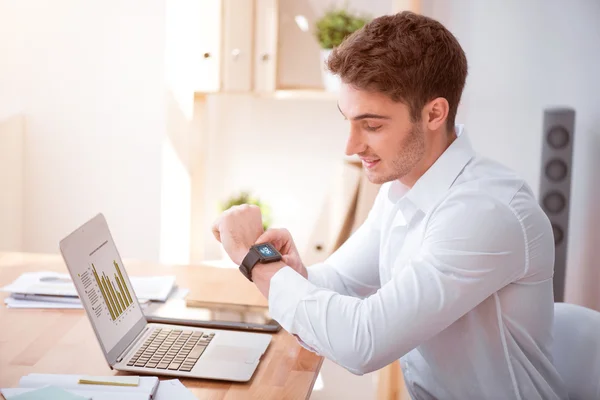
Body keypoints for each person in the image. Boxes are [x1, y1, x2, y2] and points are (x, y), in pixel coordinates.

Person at [211, 11, 567, 400]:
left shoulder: (484, 213)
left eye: (373, 125)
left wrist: (255, 260)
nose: (351, 147)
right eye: (348, 120)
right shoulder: (404, 187)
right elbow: (341, 283)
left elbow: (364, 343)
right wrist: (290, 271)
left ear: (434, 113)